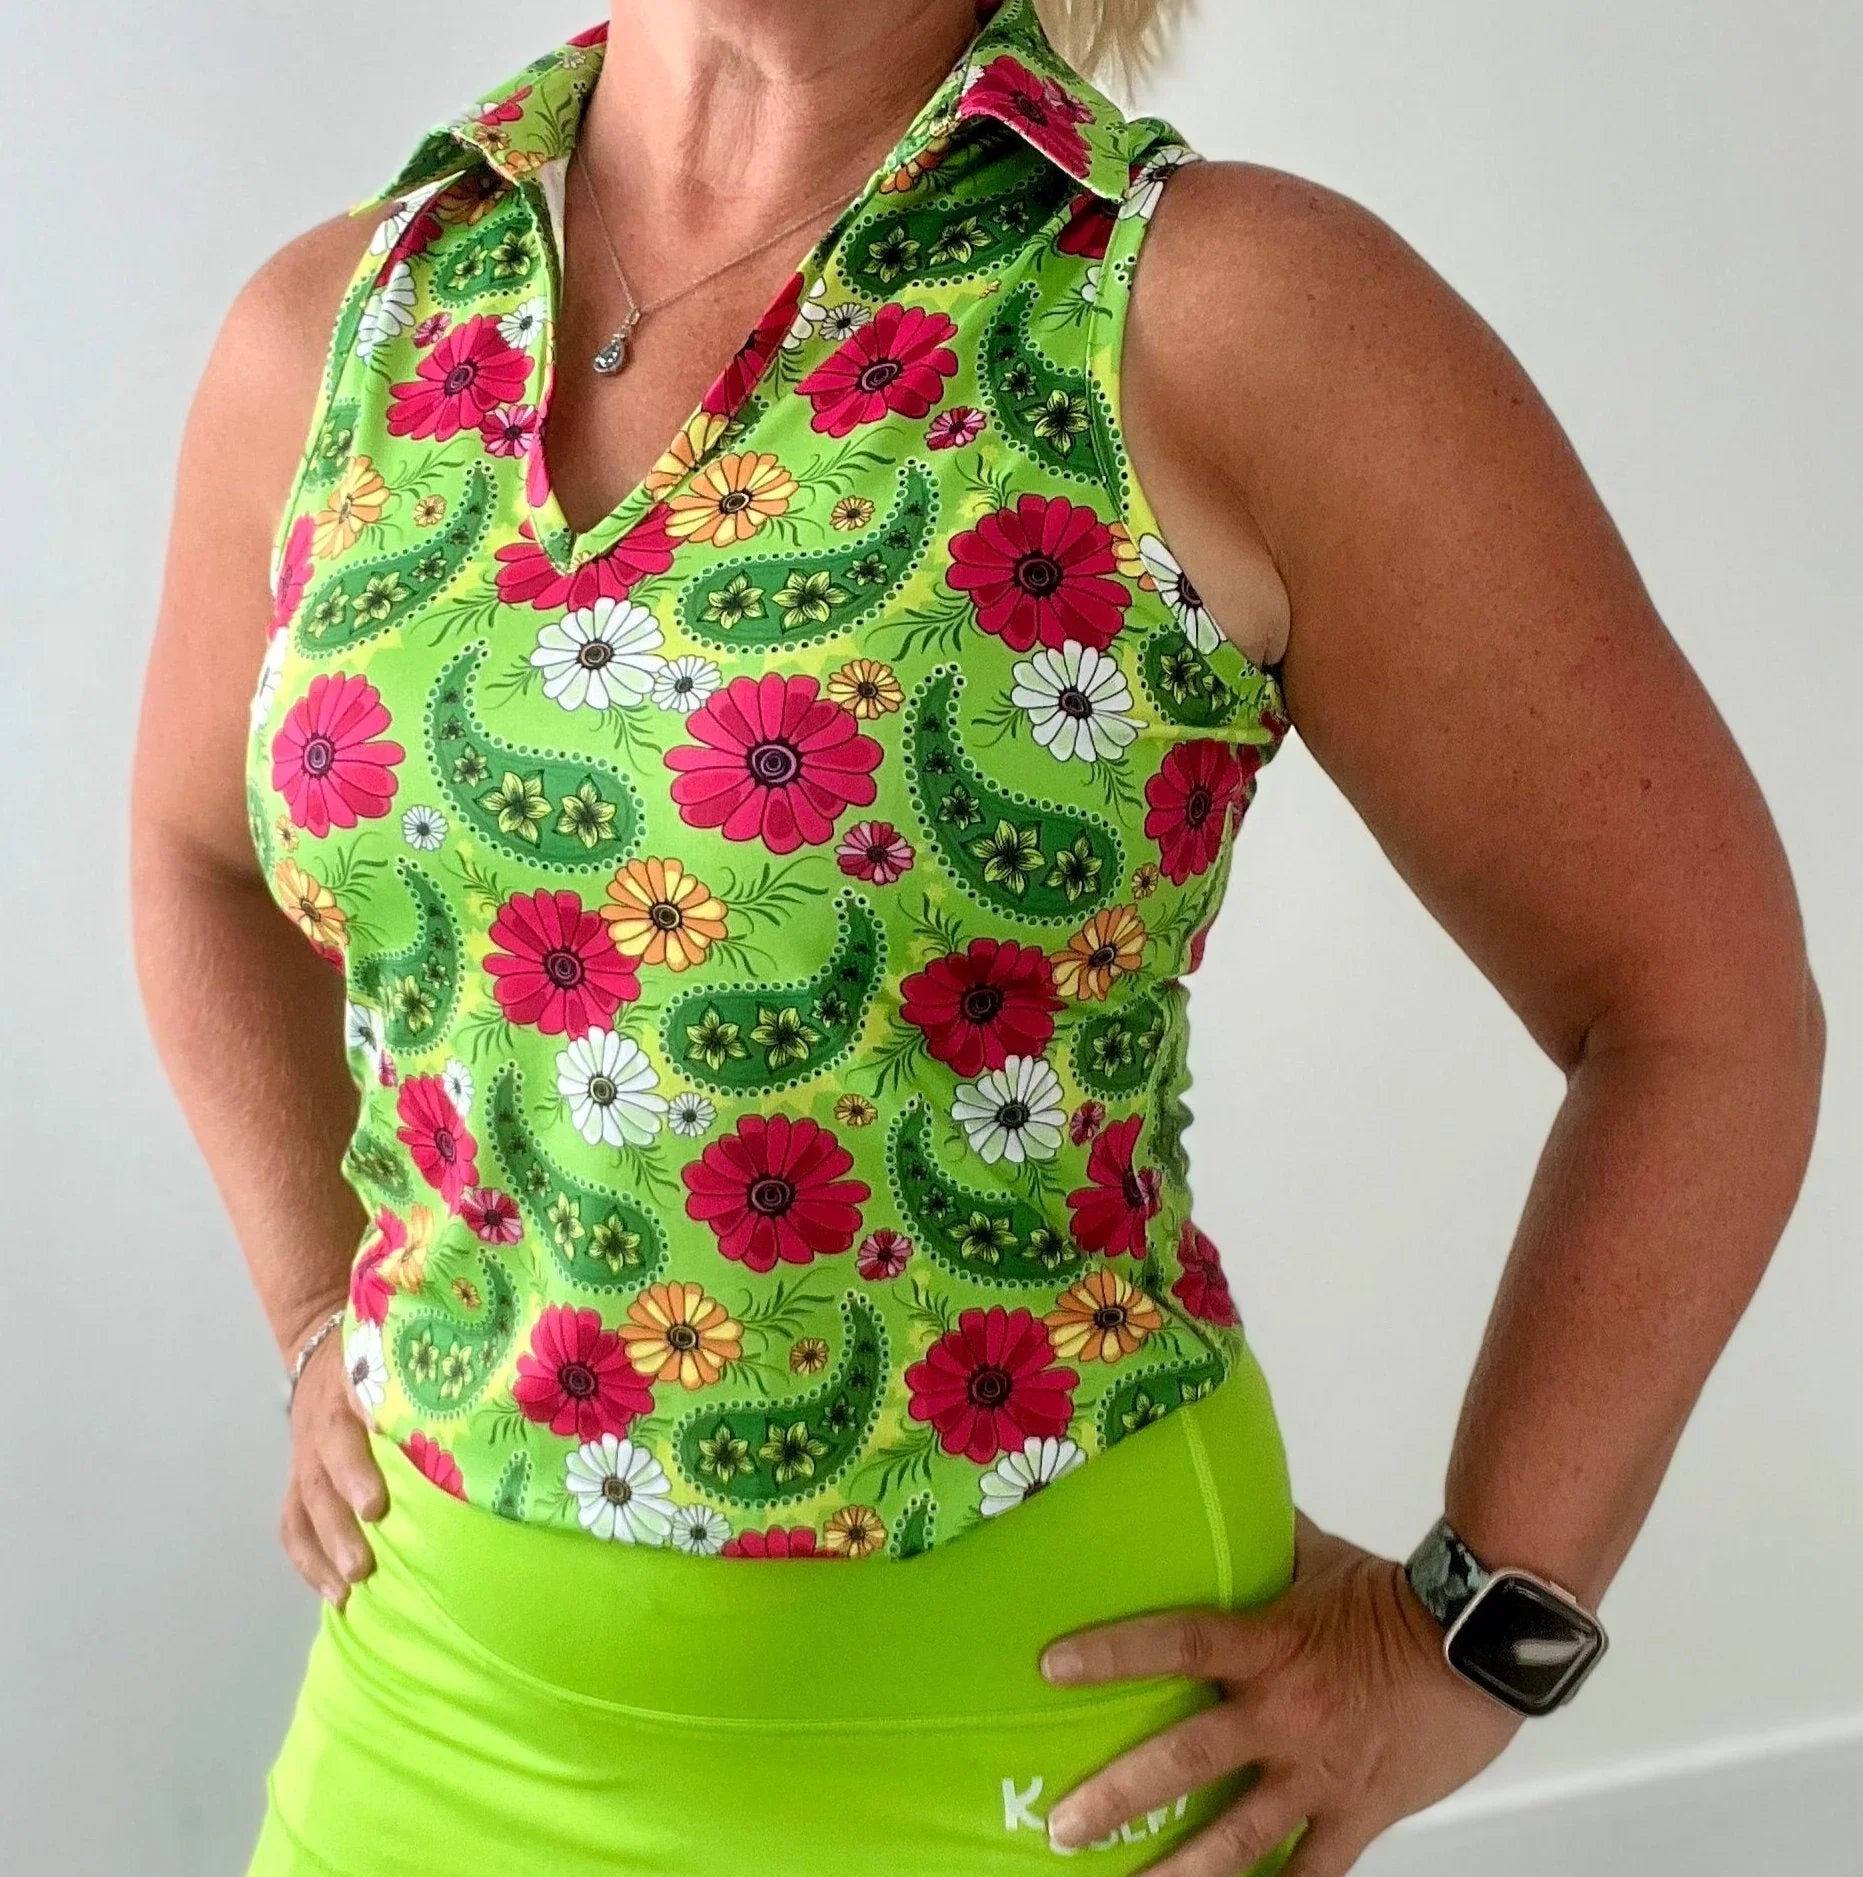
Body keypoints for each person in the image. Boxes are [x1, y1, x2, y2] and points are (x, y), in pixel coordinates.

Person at [129, 1, 1824, 1872]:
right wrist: (310, 1310)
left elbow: (1704, 1004)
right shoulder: (346, 325)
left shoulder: (1207, 314)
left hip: (1029, 1744)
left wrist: (1473, 1639)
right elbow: (197, 850)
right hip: (435, 1712)